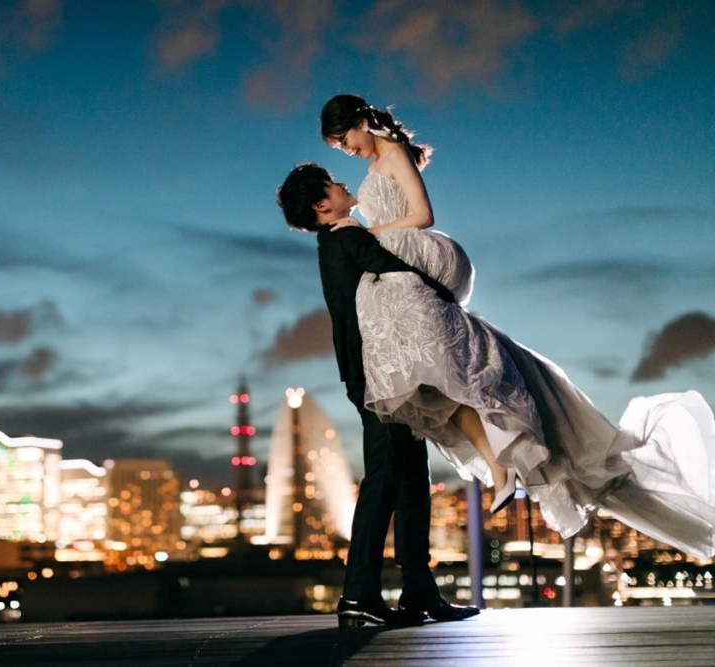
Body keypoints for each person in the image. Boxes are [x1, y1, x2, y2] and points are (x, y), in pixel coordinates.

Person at [315, 93, 715, 559]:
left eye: (345, 139)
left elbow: (424, 216)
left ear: (362, 121)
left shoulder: (394, 155)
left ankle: (501, 453)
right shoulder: (366, 177)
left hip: (415, 253)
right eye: (338, 146)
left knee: (451, 369)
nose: (345, 149)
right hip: (401, 266)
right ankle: (498, 460)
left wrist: (370, 234)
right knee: (445, 383)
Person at [277, 164, 480, 630]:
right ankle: (359, 595)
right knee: (387, 477)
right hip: (378, 379)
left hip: (382, 376)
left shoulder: (336, 242)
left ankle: (418, 593)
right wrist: (448, 298)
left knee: (410, 478)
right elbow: (404, 276)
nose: (345, 185)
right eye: (334, 184)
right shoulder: (347, 240)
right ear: (321, 206)